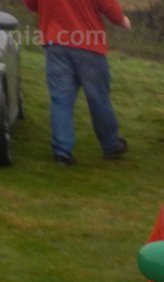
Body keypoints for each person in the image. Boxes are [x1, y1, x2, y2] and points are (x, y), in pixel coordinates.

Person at [23, 0, 130, 164]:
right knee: (98, 98)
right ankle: (110, 145)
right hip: (88, 44)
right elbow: (108, 5)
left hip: (55, 41)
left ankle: (62, 151)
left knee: (61, 100)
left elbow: (31, 4)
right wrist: (122, 20)